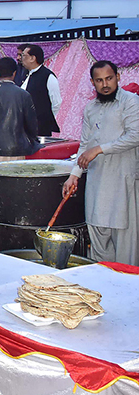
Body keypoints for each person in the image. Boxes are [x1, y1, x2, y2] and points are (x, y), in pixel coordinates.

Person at [63, 61, 139, 265]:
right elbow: (85, 145)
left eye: (109, 78)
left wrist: (99, 149)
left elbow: (135, 135)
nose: (105, 84)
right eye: (99, 80)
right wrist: (74, 175)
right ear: (92, 82)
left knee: (126, 248)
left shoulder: (131, 102)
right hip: (98, 184)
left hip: (124, 182)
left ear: (118, 77)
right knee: (98, 241)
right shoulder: (90, 108)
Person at [21, 44, 61, 136]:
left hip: (40, 127)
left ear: (32, 58)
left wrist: (45, 119)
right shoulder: (25, 75)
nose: (21, 58)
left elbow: (56, 102)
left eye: (24, 55)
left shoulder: (48, 76)